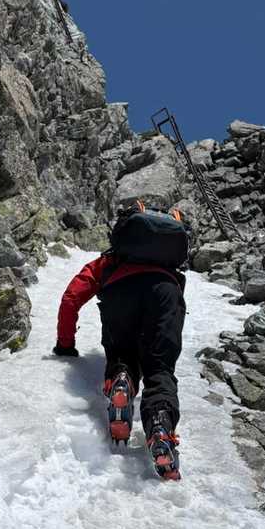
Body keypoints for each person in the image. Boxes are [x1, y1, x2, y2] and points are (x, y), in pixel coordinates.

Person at [53, 202, 189, 481]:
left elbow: (71, 298)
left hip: (119, 292)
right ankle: (161, 427)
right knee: (160, 370)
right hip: (165, 294)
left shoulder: (110, 261)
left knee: (122, 354)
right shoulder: (168, 266)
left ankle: (122, 378)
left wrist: (65, 344)